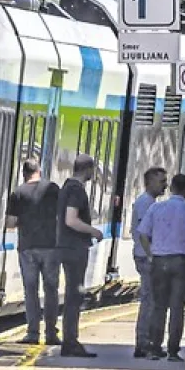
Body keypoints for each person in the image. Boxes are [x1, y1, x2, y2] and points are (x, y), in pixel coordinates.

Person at [5, 159, 61, 345]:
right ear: (40, 171)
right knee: (51, 290)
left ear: (23, 173)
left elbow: (11, 224)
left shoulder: (18, 193)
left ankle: (33, 333)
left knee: (31, 291)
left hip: (28, 248)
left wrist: (23, 221)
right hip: (51, 247)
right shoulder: (53, 189)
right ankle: (51, 334)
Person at [137, 173, 185, 362]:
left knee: (159, 307)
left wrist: (150, 254)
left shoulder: (156, 207)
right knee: (177, 308)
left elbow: (143, 234)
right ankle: (173, 351)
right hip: (181, 261)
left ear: (172, 188)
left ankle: (153, 348)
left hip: (159, 261)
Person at [56, 153, 104, 358]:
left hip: (66, 247)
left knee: (73, 295)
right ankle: (70, 342)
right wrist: (94, 231)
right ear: (88, 170)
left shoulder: (66, 186)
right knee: (74, 295)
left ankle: (70, 340)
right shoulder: (76, 190)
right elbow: (71, 220)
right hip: (74, 249)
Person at [131, 167, 168, 358]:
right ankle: (143, 342)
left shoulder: (149, 203)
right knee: (149, 301)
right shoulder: (145, 203)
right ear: (149, 182)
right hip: (146, 257)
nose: (165, 185)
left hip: (146, 255)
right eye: (161, 181)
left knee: (152, 300)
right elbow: (145, 233)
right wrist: (153, 256)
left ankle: (147, 341)